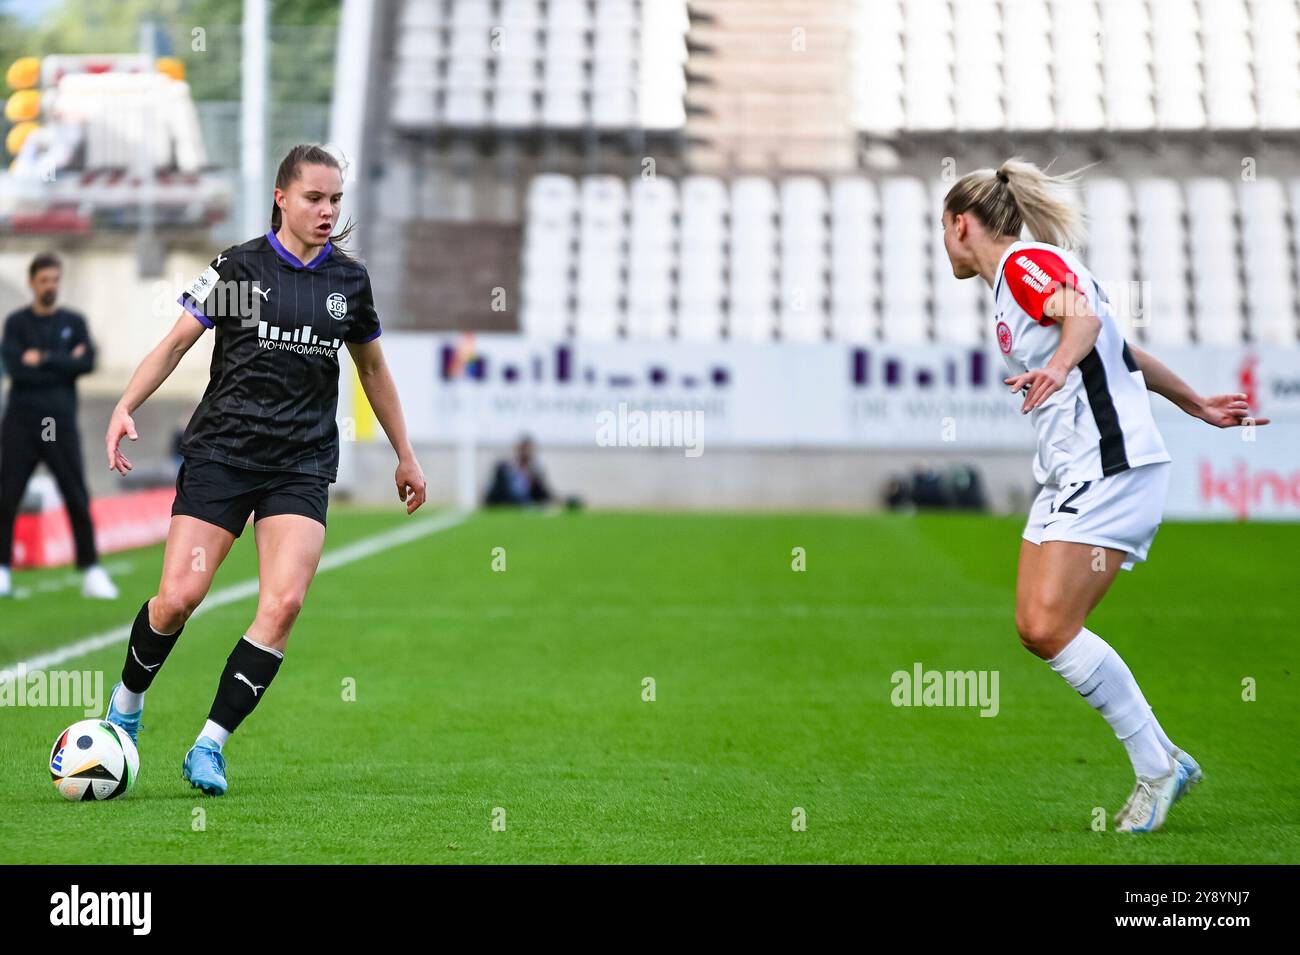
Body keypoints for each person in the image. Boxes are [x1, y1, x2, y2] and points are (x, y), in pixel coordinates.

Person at [940, 157, 1268, 833]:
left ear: (960, 223)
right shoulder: (1032, 269)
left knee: (1047, 626)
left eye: (942, 231)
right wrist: (1195, 402)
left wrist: (1055, 369)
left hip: (1108, 468)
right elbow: (1119, 349)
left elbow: (1084, 321)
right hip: (1076, 470)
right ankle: (1161, 759)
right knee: (1036, 626)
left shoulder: (1026, 267)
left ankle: (1158, 765)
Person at [102, 143, 428, 796]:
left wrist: (405, 452)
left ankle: (209, 745)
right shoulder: (238, 268)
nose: (327, 211)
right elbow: (174, 345)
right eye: (314, 198)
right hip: (223, 454)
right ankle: (126, 707)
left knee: (283, 603)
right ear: (282, 197)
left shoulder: (349, 282)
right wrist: (125, 405)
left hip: (300, 463)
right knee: (179, 599)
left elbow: (372, 369)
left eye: (336, 199)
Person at [0, 252, 117, 599]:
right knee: (7, 496)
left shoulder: (73, 321)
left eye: (55, 280)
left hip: (58, 421)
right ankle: (3, 567)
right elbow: (17, 369)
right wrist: (65, 361)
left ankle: (91, 569)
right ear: (32, 283)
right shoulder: (16, 323)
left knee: (75, 494)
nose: (51, 286)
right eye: (44, 280)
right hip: (21, 421)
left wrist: (45, 359)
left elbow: (88, 362)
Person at [485, 435, 553, 507]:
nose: (525, 453)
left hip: (527, 504)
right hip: (507, 503)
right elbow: (495, 492)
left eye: (528, 450)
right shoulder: (504, 468)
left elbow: (543, 494)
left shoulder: (535, 471)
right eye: (523, 449)